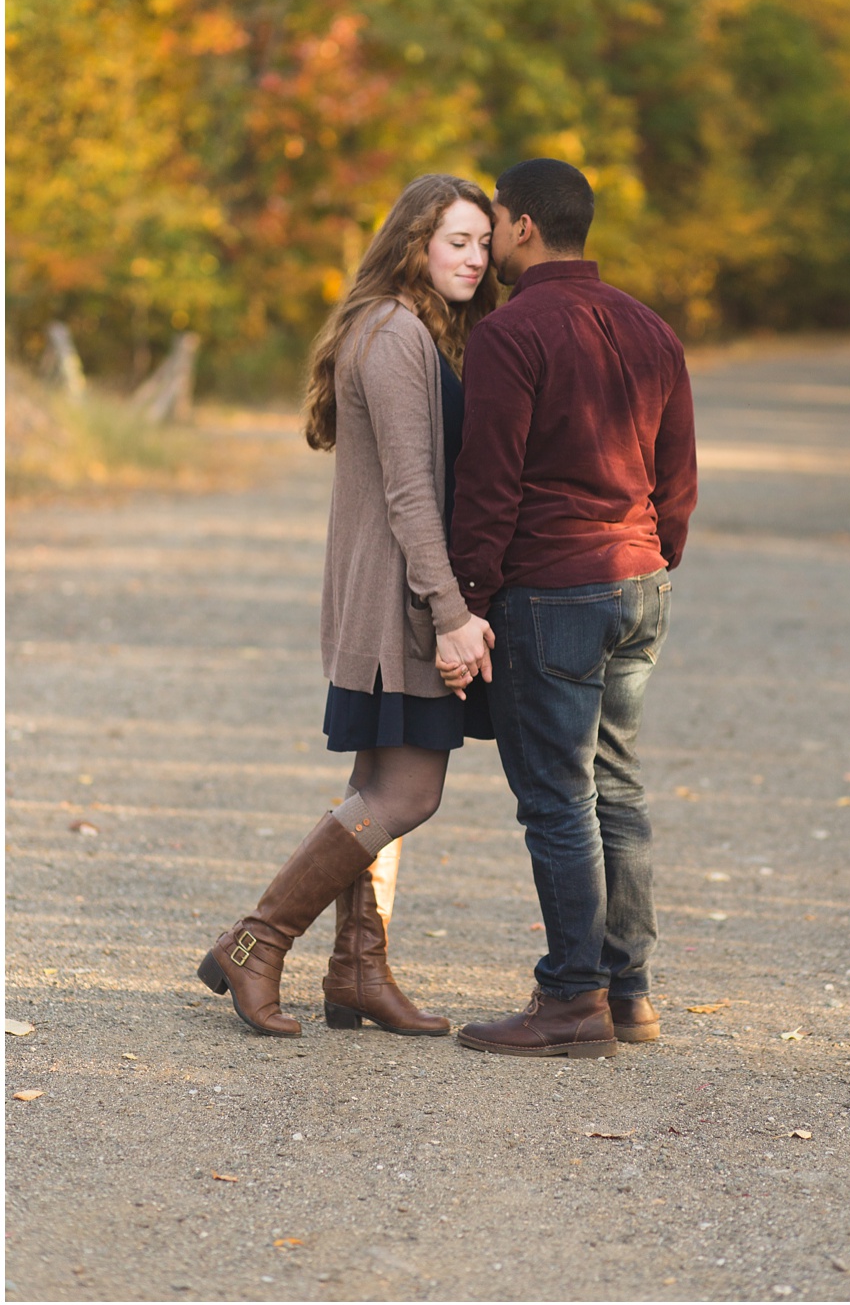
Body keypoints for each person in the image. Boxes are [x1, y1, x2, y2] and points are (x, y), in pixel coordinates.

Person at [197, 174, 501, 1038]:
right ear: (415, 242)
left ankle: (357, 970)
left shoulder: (396, 326)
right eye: (457, 241)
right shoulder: (397, 335)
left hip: (387, 592)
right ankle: (256, 941)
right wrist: (448, 611)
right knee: (407, 794)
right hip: (398, 603)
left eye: (483, 243)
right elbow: (412, 495)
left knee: (370, 790)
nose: (475, 258)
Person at [448, 157, 697, 1060]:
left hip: (552, 589)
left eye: (498, 222)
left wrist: (469, 602)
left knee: (558, 800)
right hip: (637, 583)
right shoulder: (651, 329)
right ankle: (628, 992)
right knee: (618, 787)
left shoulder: (513, 335)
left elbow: (489, 483)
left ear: (521, 225)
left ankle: (571, 1001)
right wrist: (653, 558)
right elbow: (679, 479)